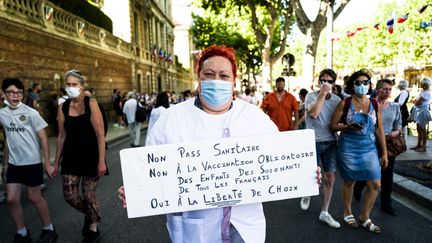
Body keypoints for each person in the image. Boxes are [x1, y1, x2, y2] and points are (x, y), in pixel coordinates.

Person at [118, 45, 321, 243]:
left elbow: (283, 160)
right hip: (195, 227)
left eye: (224, 76)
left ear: (233, 81)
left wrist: (305, 172)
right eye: (209, 74)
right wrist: (136, 189)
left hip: (244, 226)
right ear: (199, 78)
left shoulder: (254, 118)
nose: (216, 81)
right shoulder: (171, 120)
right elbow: (149, 170)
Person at [0, 78, 58, 243]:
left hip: (32, 162)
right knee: (11, 199)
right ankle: (22, 232)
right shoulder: (2, 114)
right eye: (11, 92)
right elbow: (8, 139)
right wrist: (5, 164)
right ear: (4, 94)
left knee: (34, 197)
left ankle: (49, 228)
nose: (15, 96)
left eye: (18, 92)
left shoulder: (31, 113)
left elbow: (44, 139)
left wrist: (47, 163)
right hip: (13, 164)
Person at [330, 70, 388, 234]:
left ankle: (364, 216)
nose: (362, 86)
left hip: (369, 148)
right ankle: (347, 212)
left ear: (370, 85)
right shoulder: (345, 103)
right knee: (349, 181)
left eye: (365, 82)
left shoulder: (375, 104)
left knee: (375, 184)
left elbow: (380, 130)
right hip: (348, 147)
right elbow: (333, 125)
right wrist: (347, 126)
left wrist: (383, 152)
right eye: (358, 83)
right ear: (352, 85)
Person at [54, 70, 107, 243]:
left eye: (74, 84)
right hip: (71, 156)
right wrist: (55, 163)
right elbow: (61, 136)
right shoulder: (63, 107)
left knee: (89, 194)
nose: (70, 87)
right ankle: (90, 213)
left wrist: (101, 161)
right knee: (70, 195)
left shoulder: (91, 103)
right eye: (68, 84)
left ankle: (92, 227)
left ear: (82, 86)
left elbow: (100, 135)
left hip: (92, 155)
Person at [299, 69, 341, 229]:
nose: (326, 84)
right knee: (311, 175)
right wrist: (322, 94)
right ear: (319, 82)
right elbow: (315, 113)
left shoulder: (337, 100)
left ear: (334, 83)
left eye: (330, 81)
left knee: (330, 177)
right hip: (312, 141)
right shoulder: (311, 96)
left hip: (330, 142)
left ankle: (325, 212)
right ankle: (307, 192)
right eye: (323, 80)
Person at [354, 79, 402, 216]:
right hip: (370, 144)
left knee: (387, 175)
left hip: (388, 144)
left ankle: (386, 204)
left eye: (389, 89)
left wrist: (396, 132)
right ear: (378, 89)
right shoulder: (369, 104)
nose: (387, 92)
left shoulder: (395, 106)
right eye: (385, 89)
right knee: (369, 171)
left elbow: (398, 123)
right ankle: (359, 186)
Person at [410, 77, 432, 152]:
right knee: (419, 128)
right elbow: (415, 101)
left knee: (422, 129)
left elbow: (417, 102)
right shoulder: (423, 92)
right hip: (419, 111)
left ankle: (423, 146)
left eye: (423, 84)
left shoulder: (426, 93)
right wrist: (415, 101)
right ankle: (418, 144)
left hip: (423, 111)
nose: (421, 85)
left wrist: (415, 101)